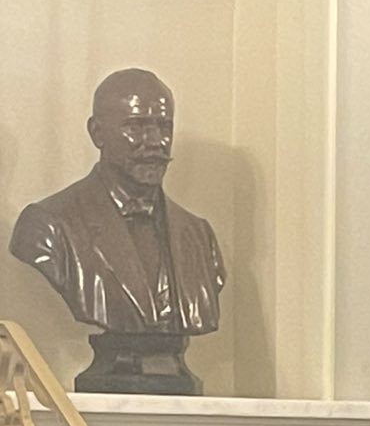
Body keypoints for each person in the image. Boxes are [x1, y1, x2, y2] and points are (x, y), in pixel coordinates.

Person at [10, 69, 224, 336]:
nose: (155, 142)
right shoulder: (47, 227)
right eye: (136, 127)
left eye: (164, 127)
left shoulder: (199, 236)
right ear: (97, 133)